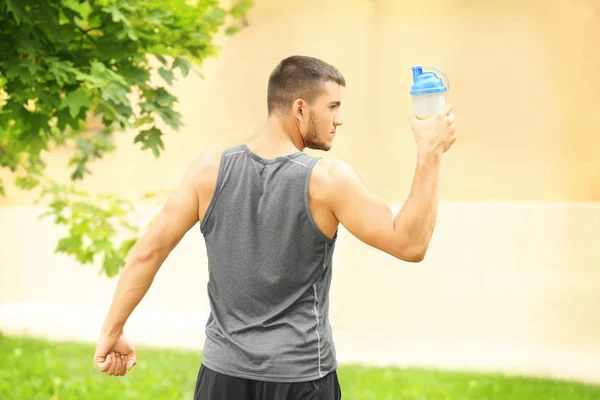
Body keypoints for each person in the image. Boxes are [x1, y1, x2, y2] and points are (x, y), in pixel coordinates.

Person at [93, 55, 456, 399]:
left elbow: (148, 252)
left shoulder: (207, 171)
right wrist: (430, 151)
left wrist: (112, 330)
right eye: (332, 106)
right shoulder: (327, 181)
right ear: (300, 108)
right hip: (300, 379)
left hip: (222, 378)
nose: (339, 119)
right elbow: (410, 244)